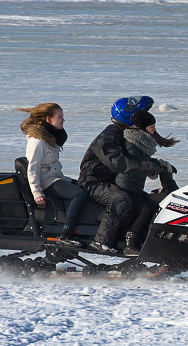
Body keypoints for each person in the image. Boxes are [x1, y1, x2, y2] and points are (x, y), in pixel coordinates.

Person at [78, 95, 175, 255]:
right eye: (138, 114)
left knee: (147, 204)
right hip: (93, 182)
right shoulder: (108, 136)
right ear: (129, 116)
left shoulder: (126, 134)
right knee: (121, 199)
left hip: (109, 181)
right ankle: (100, 241)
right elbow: (120, 163)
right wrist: (150, 166)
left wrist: (159, 164)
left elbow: (136, 159)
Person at [18, 102, 87, 247]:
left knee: (85, 187)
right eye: (60, 117)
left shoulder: (51, 138)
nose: (63, 120)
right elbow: (33, 167)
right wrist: (37, 192)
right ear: (49, 119)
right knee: (78, 194)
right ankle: (66, 234)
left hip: (54, 177)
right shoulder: (38, 141)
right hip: (45, 181)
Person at [117, 109, 177, 256]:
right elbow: (136, 165)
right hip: (125, 187)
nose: (154, 130)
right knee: (145, 209)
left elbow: (146, 161)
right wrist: (155, 169)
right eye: (151, 127)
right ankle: (130, 244)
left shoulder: (142, 141)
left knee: (153, 205)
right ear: (142, 128)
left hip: (135, 187)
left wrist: (160, 164)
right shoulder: (132, 142)